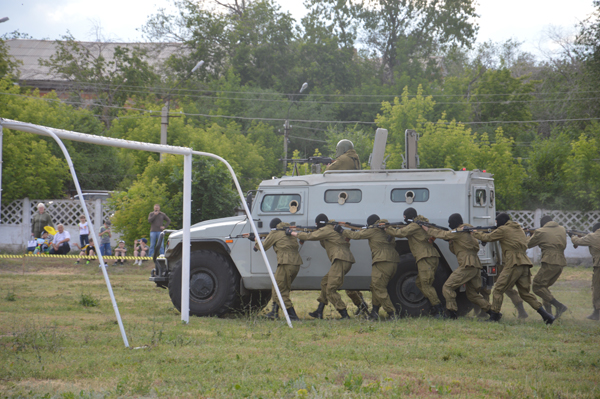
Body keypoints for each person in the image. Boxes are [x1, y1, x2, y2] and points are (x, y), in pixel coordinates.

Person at [472, 213, 555, 324]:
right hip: (525, 263)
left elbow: (488, 237)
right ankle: (546, 315)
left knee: (498, 289)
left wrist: (475, 233)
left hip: (513, 263)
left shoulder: (503, 229)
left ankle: (495, 316)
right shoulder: (518, 229)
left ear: (501, 222)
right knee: (525, 293)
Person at [324, 139, 368, 314]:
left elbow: (328, 172)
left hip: (342, 260)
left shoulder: (343, 160)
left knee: (329, 287)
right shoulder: (354, 159)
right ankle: (362, 307)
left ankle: (343, 312)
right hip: (345, 260)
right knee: (339, 284)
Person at [422, 213, 492, 320]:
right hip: (475, 265)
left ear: (454, 222)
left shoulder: (460, 231)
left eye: (450, 222)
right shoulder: (469, 231)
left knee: (448, 287)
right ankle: (494, 313)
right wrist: (451, 242)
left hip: (467, 265)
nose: (449, 224)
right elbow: (456, 251)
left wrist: (428, 229)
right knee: (472, 294)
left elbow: (443, 234)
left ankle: (452, 313)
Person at [290, 213, 356, 319]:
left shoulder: (326, 230)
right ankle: (319, 311)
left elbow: (309, 236)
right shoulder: (331, 229)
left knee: (330, 289)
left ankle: (344, 314)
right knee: (325, 283)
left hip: (341, 260)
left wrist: (293, 233)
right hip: (342, 260)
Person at [384, 207, 444, 317]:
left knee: (425, 284)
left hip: (425, 257)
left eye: (405, 217)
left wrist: (386, 229)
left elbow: (400, 233)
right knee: (419, 283)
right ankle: (433, 305)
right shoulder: (421, 224)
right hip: (428, 256)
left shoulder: (414, 226)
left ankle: (439, 310)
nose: (405, 219)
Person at [341, 214, 401, 320]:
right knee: (375, 286)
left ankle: (392, 313)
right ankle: (374, 312)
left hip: (383, 261)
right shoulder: (386, 229)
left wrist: (342, 231)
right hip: (392, 261)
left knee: (378, 287)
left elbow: (356, 236)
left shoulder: (373, 230)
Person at [254, 218, 303, 321]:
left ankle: (293, 317)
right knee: (281, 287)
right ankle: (274, 312)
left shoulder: (275, 233)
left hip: (285, 263)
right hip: (296, 264)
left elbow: (263, 247)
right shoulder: (287, 231)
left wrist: (256, 240)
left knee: (279, 290)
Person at [527, 215, 569, 318]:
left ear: (542, 224)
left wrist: (528, 235)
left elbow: (527, 244)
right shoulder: (562, 229)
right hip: (561, 261)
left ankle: (559, 306)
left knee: (537, 286)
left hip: (550, 261)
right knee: (544, 287)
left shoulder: (541, 231)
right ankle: (549, 314)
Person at [569, 223, 600, 321]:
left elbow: (577, 241)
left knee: (597, 289)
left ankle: (596, 313)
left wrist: (572, 235)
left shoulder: (593, 236)